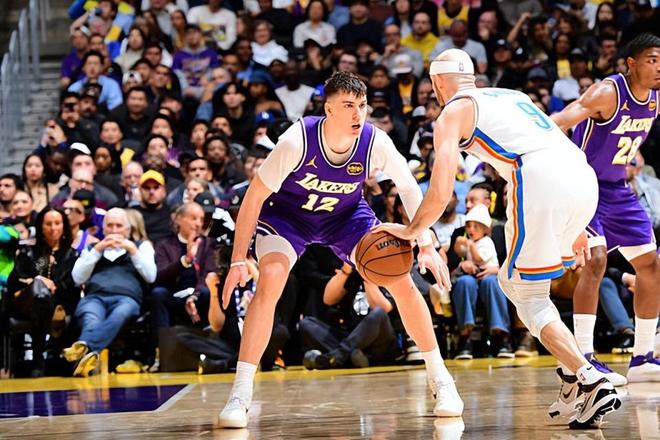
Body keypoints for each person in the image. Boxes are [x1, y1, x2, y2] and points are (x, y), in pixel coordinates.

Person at [376, 49, 621, 428]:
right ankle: (572, 377)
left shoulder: (452, 113)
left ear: (437, 82)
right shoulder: (512, 95)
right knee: (526, 288)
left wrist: (411, 231)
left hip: (539, 178)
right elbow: (555, 139)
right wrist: (573, 226)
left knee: (523, 291)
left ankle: (589, 378)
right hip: (580, 175)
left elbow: (441, 192)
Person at [215, 71, 461, 429]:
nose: (358, 113)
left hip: (344, 217)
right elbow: (253, 198)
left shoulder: (374, 141)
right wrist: (239, 259)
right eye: (348, 106)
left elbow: (409, 188)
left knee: (401, 280)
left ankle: (441, 379)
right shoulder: (296, 140)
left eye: (362, 105)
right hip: (289, 217)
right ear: (328, 109)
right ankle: (240, 393)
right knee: (270, 279)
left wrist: (425, 244)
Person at [551, 33, 660, 384]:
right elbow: (557, 123)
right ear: (631, 63)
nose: (659, 67)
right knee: (595, 261)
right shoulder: (607, 93)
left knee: (651, 265)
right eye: (652, 60)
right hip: (584, 185)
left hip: (618, 190)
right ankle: (583, 357)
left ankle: (642, 358)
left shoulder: (655, 97)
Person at [64, 208, 157, 376]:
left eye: (119, 226)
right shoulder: (92, 248)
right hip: (95, 297)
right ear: (103, 229)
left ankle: (85, 348)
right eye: (110, 225)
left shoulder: (141, 246)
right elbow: (77, 278)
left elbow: (151, 276)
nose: (114, 230)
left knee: (120, 313)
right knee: (90, 318)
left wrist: (132, 250)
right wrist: (97, 250)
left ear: (128, 230)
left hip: (126, 298)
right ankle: (86, 361)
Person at [7, 207, 79, 377]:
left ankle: (38, 360)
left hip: (58, 301)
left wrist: (53, 285)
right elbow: (16, 280)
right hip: (28, 302)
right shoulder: (29, 252)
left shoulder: (71, 255)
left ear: (64, 226)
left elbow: (72, 284)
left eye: (57, 223)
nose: (53, 228)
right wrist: (37, 280)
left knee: (44, 300)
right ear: (41, 226)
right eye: (48, 224)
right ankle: (41, 358)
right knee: (40, 295)